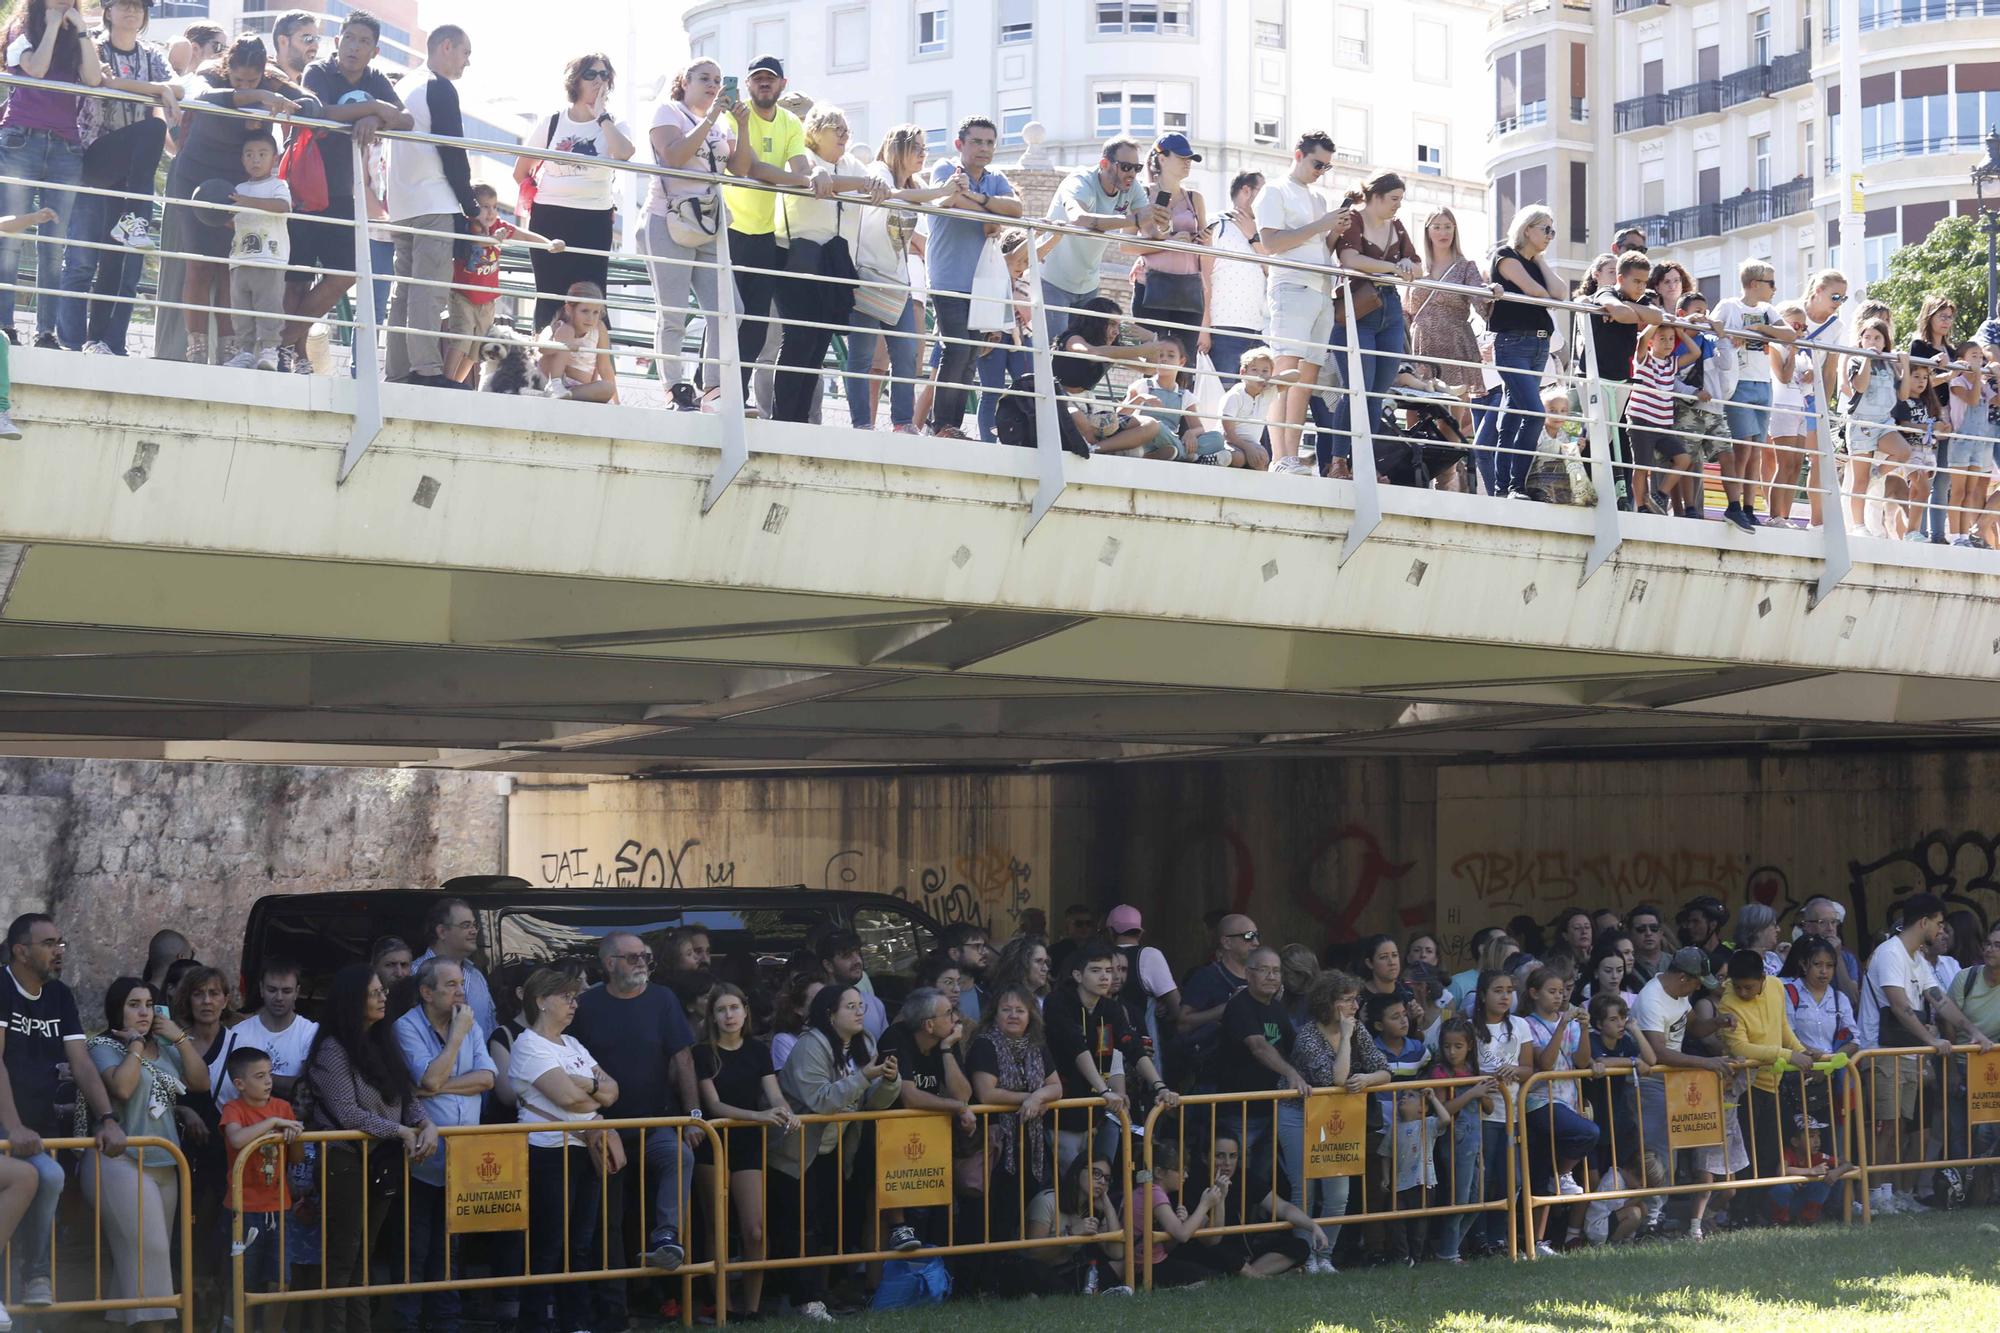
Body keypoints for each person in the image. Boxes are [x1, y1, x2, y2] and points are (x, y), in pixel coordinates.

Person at [566, 930, 700, 1327]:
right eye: (633, 957)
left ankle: (666, 1238)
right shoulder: (586, 1006)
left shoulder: (663, 999)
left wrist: (693, 1113)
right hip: (604, 1129)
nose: (642, 962)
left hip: (654, 1122)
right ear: (609, 964)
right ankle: (615, 1312)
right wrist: (593, 1124)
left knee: (680, 1155)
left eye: (645, 956)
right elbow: (568, 1063)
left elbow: (683, 1059)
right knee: (610, 1222)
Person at [161, 35, 316, 366]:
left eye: (253, 79)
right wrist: (256, 95)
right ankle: (197, 348)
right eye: (238, 79)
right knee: (199, 264)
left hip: (237, 183)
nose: (245, 84)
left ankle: (234, 349)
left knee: (230, 266)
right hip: (196, 178)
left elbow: (310, 102)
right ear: (227, 68)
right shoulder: (209, 74)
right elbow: (199, 94)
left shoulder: (274, 79)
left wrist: (293, 102)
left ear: (263, 72)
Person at [302, 964, 439, 1333]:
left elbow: (405, 1095)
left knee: (364, 1257)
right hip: (343, 1160)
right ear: (352, 1000)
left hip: (380, 1159)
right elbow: (348, 1113)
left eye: (383, 991)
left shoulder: (381, 1040)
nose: (384, 997)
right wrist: (400, 1131)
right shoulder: (332, 1049)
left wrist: (425, 1123)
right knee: (342, 1258)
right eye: (374, 992)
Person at [280, 10, 409, 375]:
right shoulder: (319, 71)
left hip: (342, 193)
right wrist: (370, 108)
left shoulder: (375, 77)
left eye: (363, 41)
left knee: (345, 274)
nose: (354, 47)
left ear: (375, 50)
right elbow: (320, 112)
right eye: (349, 38)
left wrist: (375, 118)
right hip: (302, 188)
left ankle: (283, 339)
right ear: (338, 42)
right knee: (296, 278)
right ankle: (296, 355)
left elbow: (406, 118)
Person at [772, 984, 900, 1321]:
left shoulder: (866, 1043)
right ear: (830, 1014)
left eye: (862, 1005)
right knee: (801, 1226)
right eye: (851, 1007)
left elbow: (871, 1104)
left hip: (838, 1146)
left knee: (830, 1223)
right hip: (797, 1149)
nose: (861, 1012)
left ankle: (822, 1293)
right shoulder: (808, 1046)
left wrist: (889, 1082)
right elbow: (821, 1101)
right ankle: (803, 1299)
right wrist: (862, 1077)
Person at [1860, 892, 1993, 1215]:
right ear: (1923, 922)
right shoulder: (1890, 953)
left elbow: (1940, 1000)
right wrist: (1930, 1040)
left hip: (1906, 1054)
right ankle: (1874, 1194)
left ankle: (1892, 1192)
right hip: (1883, 1053)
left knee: (1901, 1128)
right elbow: (1899, 1005)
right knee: (1886, 1127)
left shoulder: (1917, 958)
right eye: (1938, 923)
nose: (1941, 930)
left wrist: (1973, 1032)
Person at [55, 0, 175, 356]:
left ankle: (107, 342)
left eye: (139, 6)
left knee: (123, 263)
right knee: (81, 260)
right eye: (123, 4)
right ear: (107, 10)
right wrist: (157, 90)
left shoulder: (152, 54)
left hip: (132, 170)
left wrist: (163, 89)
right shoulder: (90, 42)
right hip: (95, 156)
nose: (132, 11)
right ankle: (70, 341)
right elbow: (97, 81)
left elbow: (180, 89)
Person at [83, 977, 200, 1330]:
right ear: (118, 1008)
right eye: (134, 1004)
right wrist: (134, 1045)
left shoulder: (164, 1048)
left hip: (166, 1162)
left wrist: (177, 1036)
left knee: (140, 1262)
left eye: (149, 1004)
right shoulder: (102, 1045)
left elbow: (200, 1081)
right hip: (119, 1162)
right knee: (153, 1254)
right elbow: (122, 1086)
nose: (143, 1012)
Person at [508, 966, 619, 1333]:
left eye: (575, 997)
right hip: (548, 1152)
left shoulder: (572, 1045)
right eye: (565, 997)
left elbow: (613, 1091)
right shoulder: (527, 1044)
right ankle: (536, 1322)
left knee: (580, 1243)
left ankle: (575, 1322)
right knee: (549, 1243)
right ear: (540, 1001)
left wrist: (581, 1082)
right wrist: (590, 1088)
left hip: (583, 1150)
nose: (574, 1004)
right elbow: (572, 1100)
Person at [391, 957, 496, 1333]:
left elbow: (486, 1079)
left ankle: (445, 1320)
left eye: (461, 984)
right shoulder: (406, 1026)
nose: (460, 992)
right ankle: (407, 1321)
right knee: (416, 1245)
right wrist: (455, 1039)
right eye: (451, 985)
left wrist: (438, 1084)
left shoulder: (469, 1023)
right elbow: (428, 1077)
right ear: (426, 992)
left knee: (451, 1244)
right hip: (422, 1156)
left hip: (463, 1156)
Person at [765, 104, 882, 423]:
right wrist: (861, 184)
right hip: (795, 257)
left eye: (847, 129)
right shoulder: (802, 157)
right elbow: (823, 181)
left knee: (818, 344)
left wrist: (874, 184)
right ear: (815, 132)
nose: (845, 135)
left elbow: (868, 180)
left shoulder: (851, 164)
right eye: (837, 128)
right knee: (800, 337)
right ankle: (785, 417)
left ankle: (798, 417)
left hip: (833, 262)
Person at [0, 0, 105, 348]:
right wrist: (49, 26)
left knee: (53, 244)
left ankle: (46, 332)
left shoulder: (77, 33)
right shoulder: (21, 30)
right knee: (9, 239)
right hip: (20, 141)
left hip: (65, 148)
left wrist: (82, 29)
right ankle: (5, 329)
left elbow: (92, 78)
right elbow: (38, 69)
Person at [844, 125, 957, 432]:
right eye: (917, 148)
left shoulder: (915, 183)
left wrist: (958, 191)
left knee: (907, 354)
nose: (923, 154)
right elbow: (891, 194)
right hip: (868, 277)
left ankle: (902, 422)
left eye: (925, 149)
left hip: (898, 282)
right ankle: (861, 423)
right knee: (863, 356)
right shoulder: (878, 169)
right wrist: (942, 191)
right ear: (899, 148)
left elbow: (935, 204)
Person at [384, 25, 479, 388]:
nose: (467, 63)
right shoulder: (438, 87)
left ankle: (397, 371)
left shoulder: (404, 84)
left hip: (403, 204)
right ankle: (425, 370)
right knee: (428, 289)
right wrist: (469, 204)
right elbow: (452, 149)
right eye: (465, 53)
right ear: (447, 46)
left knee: (404, 291)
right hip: (433, 200)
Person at [512, 53, 633, 336]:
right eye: (591, 74)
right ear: (575, 80)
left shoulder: (614, 123)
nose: (599, 80)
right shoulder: (552, 121)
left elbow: (625, 154)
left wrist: (601, 116)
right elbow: (520, 171)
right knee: (550, 296)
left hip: (594, 219)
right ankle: (545, 367)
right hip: (550, 217)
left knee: (591, 297)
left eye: (605, 75)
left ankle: (588, 369)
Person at [693, 982, 794, 1318]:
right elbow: (714, 1104)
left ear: (745, 1010)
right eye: (721, 1009)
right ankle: (724, 1305)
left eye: (734, 1008)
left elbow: (774, 1093)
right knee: (717, 1226)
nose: (729, 1015)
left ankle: (751, 1308)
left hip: (749, 1144)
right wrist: (760, 1115)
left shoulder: (757, 1050)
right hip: (714, 1142)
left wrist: (784, 1110)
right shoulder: (703, 1053)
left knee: (755, 1228)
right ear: (712, 1016)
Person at [921, 115, 1021, 438]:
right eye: (977, 141)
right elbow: (947, 198)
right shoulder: (943, 168)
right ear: (960, 144)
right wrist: (992, 212)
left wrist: (976, 199)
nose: (984, 148)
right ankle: (942, 425)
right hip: (948, 278)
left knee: (969, 356)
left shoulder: (995, 178)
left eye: (990, 142)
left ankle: (951, 426)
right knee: (957, 349)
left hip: (983, 284)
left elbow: (1016, 210)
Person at [1252, 131, 1346, 472]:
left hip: (1321, 289)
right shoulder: (1274, 191)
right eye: (1317, 163)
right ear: (1298, 155)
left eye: (1327, 166)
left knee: (1305, 379)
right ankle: (1281, 456)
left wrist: (1334, 228)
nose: (1321, 170)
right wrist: (1321, 224)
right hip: (1291, 287)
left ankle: (1290, 456)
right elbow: (1271, 243)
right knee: (1285, 374)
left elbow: (1320, 245)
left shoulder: (1318, 198)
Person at [1045, 942, 1177, 1168]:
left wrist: (1160, 1086)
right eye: (1096, 971)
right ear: (1078, 975)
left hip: (1097, 1110)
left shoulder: (1110, 1008)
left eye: (1109, 970)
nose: (1105, 977)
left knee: (1098, 1177)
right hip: (1062, 1109)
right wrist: (1106, 1092)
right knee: (1067, 1179)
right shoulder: (1059, 1002)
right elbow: (1077, 1048)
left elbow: (1132, 1047)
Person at [1717, 948, 1821, 1224]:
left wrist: (1803, 1051)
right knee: (1746, 1155)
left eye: (1748, 986)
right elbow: (1739, 1046)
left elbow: (1782, 1026)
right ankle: (1740, 1214)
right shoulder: (1727, 1002)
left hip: (1771, 1084)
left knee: (1768, 1152)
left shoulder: (1776, 986)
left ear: (1764, 978)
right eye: (1737, 986)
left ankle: (1761, 1211)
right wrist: (1789, 1056)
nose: (1742, 992)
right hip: (1745, 1086)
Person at [1325, 172, 1418, 478]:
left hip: (1390, 308)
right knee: (1357, 388)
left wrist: (1407, 266)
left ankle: (1364, 463)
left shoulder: (1398, 226)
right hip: (1357, 307)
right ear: (1376, 196)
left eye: (1400, 200)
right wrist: (1394, 266)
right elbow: (1350, 258)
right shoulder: (1353, 219)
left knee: (1378, 391)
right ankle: (1338, 461)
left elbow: (1417, 264)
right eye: (1394, 199)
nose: (1398, 206)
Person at [1039, 136, 1163, 343]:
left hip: (1088, 285)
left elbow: (1149, 228)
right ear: (1105, 164)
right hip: (1053, 281)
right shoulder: (1080, 181)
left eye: (1136, 168)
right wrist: (1133, 219)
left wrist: (1163, 225)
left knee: (1092, 352)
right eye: (1125, 167)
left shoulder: (1131, 187)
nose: (1131, 174)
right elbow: (1079, 218)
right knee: (1055, 351)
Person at [965, 984, 1061, 1241]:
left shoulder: (1036, 1045)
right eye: (1006, 1009)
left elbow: (1056, 1087)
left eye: (1020, 1010)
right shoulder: (985, 1044)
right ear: (994, 1014)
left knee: (1022, 1207)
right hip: (995, 1143)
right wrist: (1028, 1098)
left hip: (1030, 1144)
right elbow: (987, 1092)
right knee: (993, 1214)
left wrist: (1038, 1096)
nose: (1013, 1015)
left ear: (1031, 1015)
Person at [1711, 259, 1799, 531]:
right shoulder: (1729, 305)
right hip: (1739, 382)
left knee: (1757, 449)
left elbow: (1788, 334)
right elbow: (1712, 327)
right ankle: (1734, 505)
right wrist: (1728, 336)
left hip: (1763, 384)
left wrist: (1762, 329)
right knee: (1743, 447)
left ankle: (1749, 507)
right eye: (1770, 283)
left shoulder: (1768, 310)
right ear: (1754, 284)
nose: (1774, 288)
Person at [219, 1045, 302, 1331]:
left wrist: (294, 1135)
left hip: (280, 1207)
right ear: (239, 1084)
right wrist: (272, 1124)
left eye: (270, 1074)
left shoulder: (283, 1107)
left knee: (281, 1279)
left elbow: (298, 1158)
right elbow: (237, 1139)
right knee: (242, 1277)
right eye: (260, 1076)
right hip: (244, 1209)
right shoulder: (234, 1109)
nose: (269, 1081)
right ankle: (234, 1327)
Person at [1486, 206, 1562, 499]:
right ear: (1527, 229)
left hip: (1539, 344)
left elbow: (1560, 292)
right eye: (1546, 229)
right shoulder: (1506, 256)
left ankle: (1503, 487)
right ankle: (1516, 485)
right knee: (1533, 413)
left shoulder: (1535, 262)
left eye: (1552, 230)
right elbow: (1537, 292)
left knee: (1513, 416)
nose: (1550, 236)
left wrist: (1540, 259)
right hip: (1514, 343)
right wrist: (1545, 292)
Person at [1127, 134, 1209, 364]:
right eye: (1182, 156)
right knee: (1152, 359)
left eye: (1190, 158)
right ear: (1161, 159)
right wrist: (1169, 242)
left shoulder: (1195, 198)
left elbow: (1207, 251)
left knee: (1186, 363)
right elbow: (1126, 245)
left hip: (1189, 288)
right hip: (1152, 287)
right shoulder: (1140, 193)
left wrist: (1202, 239)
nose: (1187, 162)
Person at [1468, 968, 1533, 1254]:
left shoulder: (1520, 1025)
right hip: (1480, 1113)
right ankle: (1478, 1237)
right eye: (1498, 990)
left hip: (1511, 1115)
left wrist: (1516, 1069)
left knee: (1512, 1178)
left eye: (1509, 990)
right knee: (1482, 1177)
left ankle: (1499, 1236)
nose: (1505, 996)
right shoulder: (1469, 1026)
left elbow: (1530, 1068)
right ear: (1482, 995)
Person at [221, 130, 291, 370]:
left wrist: (246, 201)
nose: (256, 160)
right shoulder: (238, 188)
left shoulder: (278, 185)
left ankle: (269, 351)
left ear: (275, 158)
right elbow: (235, 221)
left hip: (269, 258)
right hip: (240, 258)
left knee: (269, 306)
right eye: (249, 154)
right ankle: (245, 351)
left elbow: (283, 207)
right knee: (241, 309)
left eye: (262, 154)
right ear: (242, 159)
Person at [212, 958, 317, 1106]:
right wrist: (288, 1084)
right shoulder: (239, 1032)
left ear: (297, 992)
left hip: (292, 1126)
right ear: (261, 989)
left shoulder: (311, 1033)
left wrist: (252, 1078)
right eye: (272, 990)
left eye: (286, 991)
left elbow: (310, 1087)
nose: (279, 998)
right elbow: (225, 1087)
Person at [1023, 1153, 1126, 1292]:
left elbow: (1117, 1253)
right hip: (1037, 1272)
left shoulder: (1093, 1208)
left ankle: (1076, 1292)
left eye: (1107, 1178)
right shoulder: (1047, 1201)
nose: (1102, 1181)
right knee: (1037, 1271)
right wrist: (1070, 1235)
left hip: (1068, 1270)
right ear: (1076, 1173)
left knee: (1122, 1264)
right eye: (1096, 1173)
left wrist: (1107, 1205)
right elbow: (1034, 1254)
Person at [1205, 171, 1267, 384]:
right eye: (1263, 191)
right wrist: (1204, 328)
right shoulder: (1215, 224)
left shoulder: (1263, 232)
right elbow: (1202, 276)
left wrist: (1254, 237)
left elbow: (1273, 272)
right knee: (1220, 400)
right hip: (1222, 329)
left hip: (1259, 332)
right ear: (1246, 190)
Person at [413, 897, 497, 1036]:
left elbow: (490, 1028)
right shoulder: (414, 974)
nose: (474, 931)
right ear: (442, 932)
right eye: (465, 925)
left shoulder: (477, 977)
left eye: (475, 925)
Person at [534, 279, 618, 402]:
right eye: (585, 311)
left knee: (608, 387)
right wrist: (563, 345)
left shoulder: (599, 328)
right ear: (569, 309)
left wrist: (617, 401)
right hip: (551, 380)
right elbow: (541, 347)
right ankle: (554, 386)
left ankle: (567, 396)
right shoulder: (560, 326)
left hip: (579, 389)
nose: (590, 318)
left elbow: (605, 367)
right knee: (567, 332)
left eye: (596, 312)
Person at [1626, 905, 1668, 985]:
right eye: (1641, 929)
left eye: (1653, 928)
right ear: (1630, 934)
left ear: (1661, 932)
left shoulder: (1676, 963)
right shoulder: (1625, 968)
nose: (1648, 933)